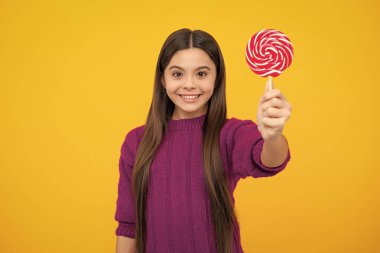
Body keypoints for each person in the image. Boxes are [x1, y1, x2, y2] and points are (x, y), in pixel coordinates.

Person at [115, 28, 292, 253]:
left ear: (217, 78)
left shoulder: (231, 133)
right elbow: (128, 225)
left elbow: (271, 160)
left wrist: (273, 136)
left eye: (201, 74)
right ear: (162, 78)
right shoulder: (137, 141)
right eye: (177, 74)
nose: (189, 84)